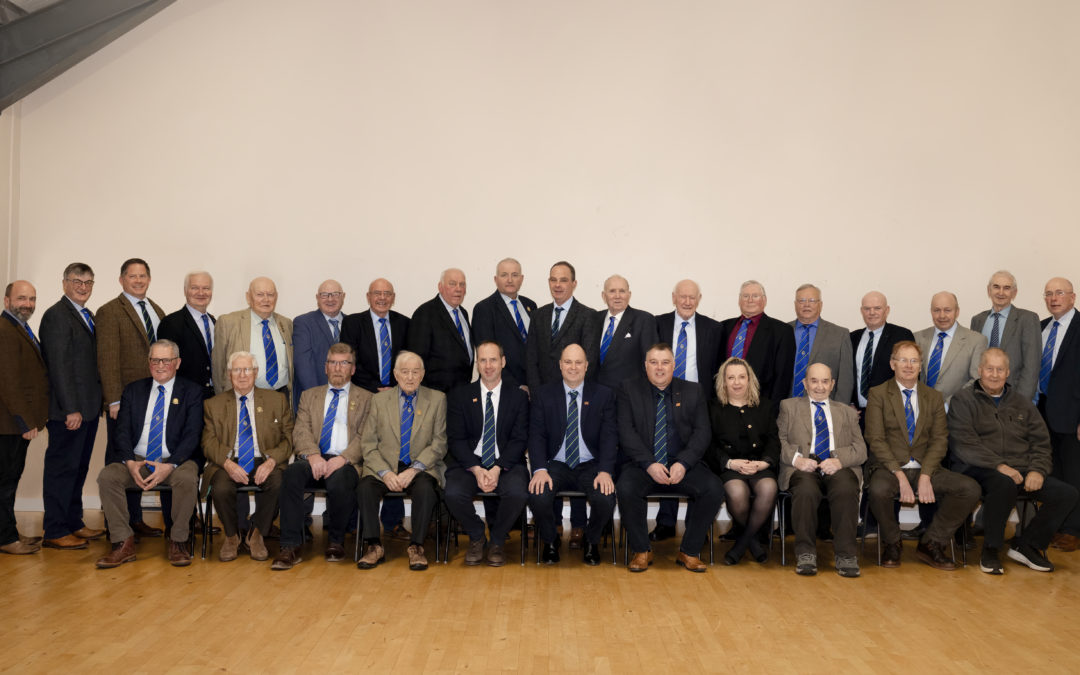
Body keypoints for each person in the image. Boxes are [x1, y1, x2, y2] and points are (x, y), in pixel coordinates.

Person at [948, 348, 1078, 573]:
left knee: (1067, 494)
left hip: (1023, 468)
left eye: (1000, 370)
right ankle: (991, 548)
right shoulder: (963, 399)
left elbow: (1041, 442)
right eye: (989, 369)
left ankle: (1027, 544)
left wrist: (1037, 470)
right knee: (1003, 483)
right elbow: (964, 444)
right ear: (980, 370)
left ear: (1008, 373)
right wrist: (1000, 466)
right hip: (979, 468)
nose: (994, 374)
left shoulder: (1022, 403)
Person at [864, 341, 980, 570]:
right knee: (877, 491)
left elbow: (939, 439)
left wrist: (925, 475)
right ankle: (892, 541)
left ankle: (931, 542)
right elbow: (875, 439)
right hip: (889, 468)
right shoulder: (878, 394)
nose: (908, 365)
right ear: (892, 364)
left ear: (920, 366)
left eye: (914, 361)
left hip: (927, 467)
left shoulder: (934, 397)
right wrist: (899, 475)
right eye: (903, 360)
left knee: (970, 489)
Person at [94, 340, 204, 568]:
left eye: (166, 360)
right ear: (149, 362)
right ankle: (123, 542)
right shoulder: (133, 390)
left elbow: (192, 435)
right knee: (108, 476)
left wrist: (170, 465)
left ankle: (178, 539)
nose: (160, 365)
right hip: (138, 458)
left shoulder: (192, 392)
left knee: (186, 478)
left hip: (176, 460)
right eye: (155, 360)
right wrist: (130, 462)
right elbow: (121, 431)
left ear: (178, 363)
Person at [615, 343, 723, 572]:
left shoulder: (693, 390)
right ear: (645, 366)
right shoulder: (628, 389)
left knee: (713, 488)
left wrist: (683, 463)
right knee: (625, 488)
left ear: (674, 365)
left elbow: (702, 432)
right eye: (653, 362)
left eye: (665, 362)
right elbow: (626, 431)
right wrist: (648, 464)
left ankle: (689, 551)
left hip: (683, 463)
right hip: (643, 463)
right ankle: (641, 550)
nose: (659, 368)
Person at [272, 343, 372, 570]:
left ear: (352, 369)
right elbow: (300, 430)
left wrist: (344, 458)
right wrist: (312, 456)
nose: (338, 368)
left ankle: (336, 541)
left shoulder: (367, 398)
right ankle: (290, 545)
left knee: (341, 480)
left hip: (345, 460)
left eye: (344, 363)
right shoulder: (309, 396)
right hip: (313, 458)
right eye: (333, 363)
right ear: (325, 367)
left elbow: (366, 435)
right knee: (291, 474)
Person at [524, 261, 598, 548]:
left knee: (579, 455)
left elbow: (588, 358)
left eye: (564, 280)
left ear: (574, 284)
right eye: (553, 280)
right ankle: (552, 523)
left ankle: (578, 525)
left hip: (576, 396)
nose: (558, 285)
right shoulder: (539, 316)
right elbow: (531, 358)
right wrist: (535, 392)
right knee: (552, 457)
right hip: (546, 400)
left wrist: (572, 386)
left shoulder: (587, 316)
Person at [95, 257, 167, 536]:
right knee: (119, 459)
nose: (138, 281)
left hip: (152, 400)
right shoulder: (110, 311)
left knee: (140, 456)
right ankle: (117, 523)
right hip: (124, 402)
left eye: (143, 276)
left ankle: (135, 519)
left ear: (149, 279)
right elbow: (108, 358)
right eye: (132, 276)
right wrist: (114, 400)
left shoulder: (156, 309)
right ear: (121, 279)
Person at [356, 352, 447, 571]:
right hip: (384, 465)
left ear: (423, 374)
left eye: (415, 372)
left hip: (420, 466)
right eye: (404, 372)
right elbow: (368, 443)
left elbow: (439, 443)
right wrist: (385, 473)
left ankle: (416, 547)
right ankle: (373, 546)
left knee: (426, 489)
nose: (410, 377)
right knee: (365, 488)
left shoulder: (437, 399)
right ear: (395, 375)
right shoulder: (378, 400)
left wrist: (414, 469)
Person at [527, 344, 617, 566]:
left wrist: (605, 471)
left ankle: (591, 541)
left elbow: (609, 437)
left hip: (590, 464)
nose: (573, 367)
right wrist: (539, 469)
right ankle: (550, 540)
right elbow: (536, 435)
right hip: (556, 463)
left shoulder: (604, 395)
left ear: (586, 366)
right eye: (568, 362)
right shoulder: (543, 395)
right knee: (537, 495)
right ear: (560, 365)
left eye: (578, 362)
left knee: (606, 498)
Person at [652, 279, 726, 541]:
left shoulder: (713, 328)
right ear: (674, 297)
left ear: (699, 298)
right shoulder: (657, 323)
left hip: (698, 403)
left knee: (695, 460)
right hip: (663, 398)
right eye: (682, 296)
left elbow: (718, 368)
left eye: (691, 297)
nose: (686, 301)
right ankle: (665, 522)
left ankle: (696, 523)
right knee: (665, 455)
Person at [202, 351, 294, 562]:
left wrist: (271, 461)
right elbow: (208, 442)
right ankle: (232, 536)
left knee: (278, 481)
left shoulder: (276, 400)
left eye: (247, 369)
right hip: (229, 459)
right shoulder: (213, 404)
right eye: (236, 370)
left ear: (256, 372)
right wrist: (227, 463)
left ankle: (258, 534)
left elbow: (288, 439)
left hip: (264, 457)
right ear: (229, 374)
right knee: (221, 487)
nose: (242, 375)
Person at [444, 341, 530, 566]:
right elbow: (456, 439)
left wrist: (497, 468)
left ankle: (498, 540)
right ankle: (476, 535)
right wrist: (476, 468)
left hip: (506, 463)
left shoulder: (518, 396)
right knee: (452, 493)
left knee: (518, 493)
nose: (488, 365)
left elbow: (520, 439)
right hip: (470, 463)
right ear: (477, 364)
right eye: (483, 360)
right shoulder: (460, 395)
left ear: (503, 362)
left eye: (493, 359)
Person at [777, 363, 866, 577]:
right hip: (804, 466)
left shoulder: (847, 412)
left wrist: (839, 460)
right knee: (806, 491)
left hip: (836, 466)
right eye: (814, 381)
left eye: (825, 381)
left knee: (846, 489)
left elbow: (861, 449)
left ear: (832, 384)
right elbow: (778, 441)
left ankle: (846, 554)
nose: (819, 387)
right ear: (805, 383)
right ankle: (805, 553)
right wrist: (797, 460)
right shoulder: (789, 407)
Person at [39, 262, 105, 549]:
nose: (83, 287)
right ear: (64, 283)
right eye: (77, 281)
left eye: (88, 282)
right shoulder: (56, 316)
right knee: (61, 470)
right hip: (70, 412)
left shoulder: (86, 315)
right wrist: (70, 409)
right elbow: (59, 368)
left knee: (78, 469)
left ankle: (73, 522)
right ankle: (55, 530)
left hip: (88, 409)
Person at [337, 278, 410, 540]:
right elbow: (350, 361)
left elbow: (406, 361)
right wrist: (375, 387)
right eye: (377, 293)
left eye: (387, 294)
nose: (382, 298)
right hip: (363, 395)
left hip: (396, 397)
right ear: (368, 296)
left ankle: (393, 522)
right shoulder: (353, 323)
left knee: (394, 450)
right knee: (362, 453)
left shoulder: (404, 322)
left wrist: (394, 388)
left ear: (393, 297)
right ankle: (357, 521)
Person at [704, 357, 778, 566]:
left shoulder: (764, 405)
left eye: (741, 377)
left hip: (759, 465)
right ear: (723, 381)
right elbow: (708, 445)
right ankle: (753, 544)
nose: (736, 382)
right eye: (731, 377)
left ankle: (741, 544)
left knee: (769, 488)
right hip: (729, 467)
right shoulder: (713, 407)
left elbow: (773, 439)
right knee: (737, 493)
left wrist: (765, 463)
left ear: (749, 379)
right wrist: (729, 463)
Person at [0, 281, 48, 554]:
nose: (27, 304)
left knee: (9, 480)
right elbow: (8, 382)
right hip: (9, 425)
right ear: (7, 301)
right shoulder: (5, 331)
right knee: (5, 483)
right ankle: (6, 539)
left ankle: (8, 532)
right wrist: (25, 421)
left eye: (31, 299)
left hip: (14, 424)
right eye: (21, 298)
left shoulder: (19, 328)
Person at [1038, 277, 1080, 551]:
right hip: (1041, 414)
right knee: (1050, 473)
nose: (1054, 298)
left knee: (1074, 474)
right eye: (1049, 294)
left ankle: (1073, 529)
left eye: (1060, 293)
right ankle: (1053, 526)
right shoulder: (1041, 328)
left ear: (1073, 297)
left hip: (1072, 414)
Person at [213, 277, 294, 400]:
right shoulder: (228, 322)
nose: (265, 299)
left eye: (270, 295)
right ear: (248, 297)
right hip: (244, 397)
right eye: (260, 294)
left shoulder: (286, 324)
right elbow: (218, 367)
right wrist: (223, 400)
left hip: (281, 396)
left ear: (276, 297)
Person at [719, 280, 794, 410]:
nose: (750, 300)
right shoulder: (723, 327)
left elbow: (782, 378)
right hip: (724, 405)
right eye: (745, 296)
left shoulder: (781, 331)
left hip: (761, 407)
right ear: (739, 301)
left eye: (755, 296)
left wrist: (772, 410)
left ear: (764, 300)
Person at [969, 271, 1041, 401]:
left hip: (1014, 396)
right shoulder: (977, 320)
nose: (1001, 292)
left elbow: (1032, 366)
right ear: (988, 290)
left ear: (1014, 293)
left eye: (1007, 288)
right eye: (996, 287)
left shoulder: (1027, 319)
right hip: (981, 397)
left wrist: (1020, 401)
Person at [470, 258, 537, 390]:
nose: (510, 280)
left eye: (515, 275)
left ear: (522, 279)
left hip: (533, 387)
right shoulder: (484, 309)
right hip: (503, 387)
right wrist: (516, 386)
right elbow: (486, 355)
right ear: (496, 279)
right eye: (504, 275)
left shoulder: (531, 305)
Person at [914, 292, 987, 409]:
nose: (942, 316)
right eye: (936, 310)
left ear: (957, 311)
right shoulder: (917, 338)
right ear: (931, 311)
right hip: (920, 411)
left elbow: (977, 380)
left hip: (955, 412)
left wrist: (948, 405)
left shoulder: (976, 341)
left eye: (947, 310)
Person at [407, 268, 473, 393]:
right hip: (435, 395)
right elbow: (416, 360)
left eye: (462, 284)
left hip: (462, 392)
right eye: (452, 284)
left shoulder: (463, 313)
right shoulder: (425, 313)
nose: (458, 289)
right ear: (440, 287)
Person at [850, 291, 915, 414]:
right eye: (867, 308)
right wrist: (850, 403)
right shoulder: (851, 338)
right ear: (861, 311)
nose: (872, 312)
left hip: (890, 414)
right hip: (857, 415)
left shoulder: (902, 335)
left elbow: (911, 374)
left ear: (887, 310)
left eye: (877, 308)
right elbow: (846, 375)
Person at [589, 274, 657, 390]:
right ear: (603, 296)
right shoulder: (593, 319)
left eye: (622, 291)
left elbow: (650, 362)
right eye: (612, 291)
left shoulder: (644, 320)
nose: (617, 296)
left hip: (628, 396)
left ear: (629, 295)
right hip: (596, 394)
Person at [788, 284, 853, 403]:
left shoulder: (840, 335)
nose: (806, 304)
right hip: (786, 407)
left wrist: (839, 411)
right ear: (795, 304)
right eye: (801, 300)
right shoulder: (782, 331)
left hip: (825, 409)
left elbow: (846, 380)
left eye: (812, 300)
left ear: (820, 305)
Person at [157, 271, 216, 399]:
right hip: (186, 398)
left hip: (214, 397)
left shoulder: (214, 322)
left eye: (206, 288)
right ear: (185, 291)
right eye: (194, 288)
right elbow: (166, 366)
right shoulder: (171, 323)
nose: (201, 293)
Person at [292, 280, 347, 409]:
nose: (330, 299)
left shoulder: (352, 323)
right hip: (314, 401)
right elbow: (304, 365)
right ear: (317, 297)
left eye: (335, 294)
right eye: (324, 295)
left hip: (346, 401)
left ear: (343, 296)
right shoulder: (303, 323)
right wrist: (319, 399)